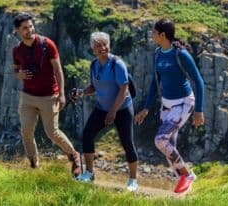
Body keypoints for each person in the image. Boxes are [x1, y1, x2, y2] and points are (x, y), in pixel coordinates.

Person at [134, 18, 205, 194]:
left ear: (163, 35)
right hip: (166, 105)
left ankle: (187, 174)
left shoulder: (181, 55)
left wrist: (199, 111)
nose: (152, 35)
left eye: (154, 33)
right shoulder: (158, 53)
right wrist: (146, 108)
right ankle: (185, 184)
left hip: (183, 103)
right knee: (168, 146)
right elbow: (154, 82)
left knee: (160, 140)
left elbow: (199, 81)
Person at [12, 13, 81, 177]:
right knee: (26, 130)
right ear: (18, 31)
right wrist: (18, 74)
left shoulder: (47, 44)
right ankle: (34, 164)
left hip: (49, 96)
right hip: (28, 97)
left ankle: (74, 156)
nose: (29, 30)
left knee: (52, 132)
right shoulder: (17, 50)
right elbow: (15, 69)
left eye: (30, 26)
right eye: (25, 28)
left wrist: (62, 94)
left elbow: (58, 70)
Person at [71, 32, 139, 191]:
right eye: (98, 45)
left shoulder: (117, 64)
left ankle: (133, 180)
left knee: (127, 143)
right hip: (102, 108)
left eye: (105, 44)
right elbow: (94, 86)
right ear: (93, 49)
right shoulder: (94, 64)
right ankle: (89, 173)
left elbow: (124, 89)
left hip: (122, 109)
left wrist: (113, 111)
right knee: (87, 134)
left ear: (109, 45)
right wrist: (81, 92)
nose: (102, 48)